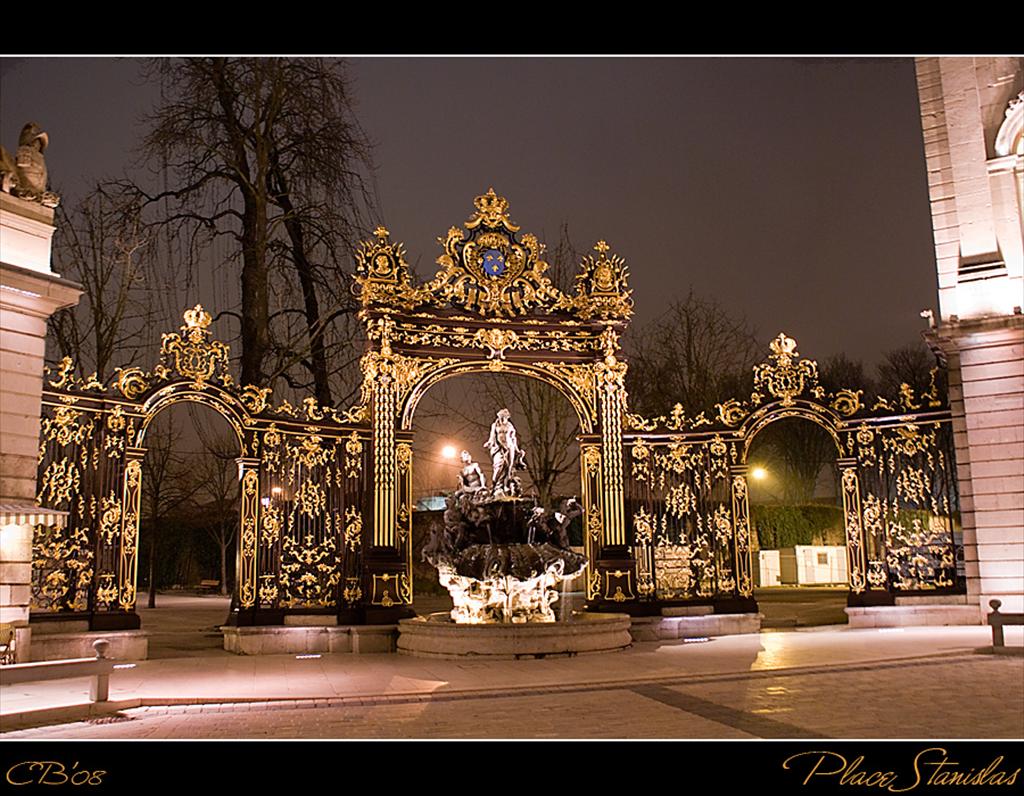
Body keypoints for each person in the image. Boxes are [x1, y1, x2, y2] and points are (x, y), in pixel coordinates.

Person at [484, 408, 525, 496]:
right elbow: (492, 436)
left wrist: (517, 449)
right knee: (498, 467)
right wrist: (489, 442)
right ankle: (494, 485)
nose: (502, 418)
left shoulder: (510, 426)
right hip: (499, 448)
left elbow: (513, 438)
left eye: (504, 417)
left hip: (510, 448)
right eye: (500, 416)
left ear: (507, 417)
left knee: (508, 468)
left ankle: (504, 487)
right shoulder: (495, 425)